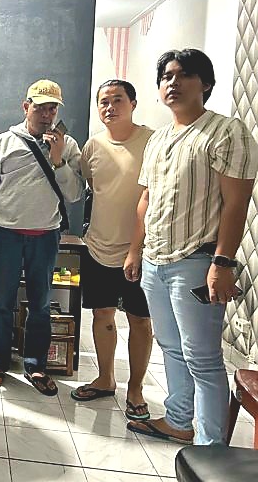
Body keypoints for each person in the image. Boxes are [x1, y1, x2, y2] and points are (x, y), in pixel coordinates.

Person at [124, 49, 258, 445]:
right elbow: (146, 199)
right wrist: (135, 250)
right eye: (166, 77)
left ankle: (210, 446)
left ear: (206, 84)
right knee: (171, 347)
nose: (173, 83)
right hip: (155, 260)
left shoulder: (226, 132)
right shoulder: (159, 138)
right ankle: (179, 420)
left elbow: (236, 203)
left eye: (184, 75)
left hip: (197, 260)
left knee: (202, 357)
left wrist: (222, 262)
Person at [0, 80, 83, 395]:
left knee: (40, 305)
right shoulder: (4, 142)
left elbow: (75, 194)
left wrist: (58, 160)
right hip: (6, 234)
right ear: (26, 107)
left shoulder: (67, 146)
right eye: (40, 107)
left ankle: (36, 365)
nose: (46, 115)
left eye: (52, 108)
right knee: (0, 303)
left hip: (46, 235)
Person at [70, 80, 154, 420]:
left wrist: (136, 249)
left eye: (117, 100)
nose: (110, 107)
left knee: (139, 320)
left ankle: (136, 389)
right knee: (102, 314)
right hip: (98, 246)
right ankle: (105, 378)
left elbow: (153, 197)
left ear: (133, 103)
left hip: (140, 249)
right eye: (103, 101)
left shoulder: (152, 142)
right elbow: (94, 187)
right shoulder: (93, 146)